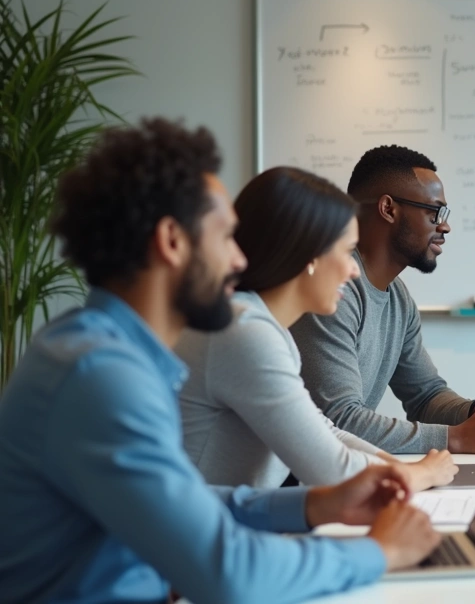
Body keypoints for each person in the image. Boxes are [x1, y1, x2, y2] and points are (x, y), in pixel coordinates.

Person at [0, 119, 441, 603]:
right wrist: (379, 552)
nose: (239, 260)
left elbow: (186, 501)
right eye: (226, 237)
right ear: (172, 241)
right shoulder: (101, 376)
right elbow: (228, 573)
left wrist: (315, 505)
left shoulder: (113, 355)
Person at [176, 166, 458, 490]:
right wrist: (418, 474)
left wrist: (398, 466)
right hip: (201, 520)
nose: (353, 270)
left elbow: (325, 430)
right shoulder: (245, 332)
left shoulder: (270, 329)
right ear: (310, 255)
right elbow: (330, 469)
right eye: (346, 252)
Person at [291, 145, 475, 454]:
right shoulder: (333, 290)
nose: (445, 226)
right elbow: (339, 420)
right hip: (297, 477)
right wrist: (456, 438)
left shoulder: (399, 299)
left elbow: (425, 395)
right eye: (434, 212)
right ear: (388, 209)